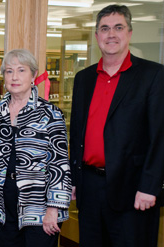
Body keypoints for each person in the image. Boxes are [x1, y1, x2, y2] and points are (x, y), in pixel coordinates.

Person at [70, 4, 164, 247]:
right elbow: (77, 130)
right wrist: (73, 180)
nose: (111, 34)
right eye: (105, 28)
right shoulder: (84, 78)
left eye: (118, 27)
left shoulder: (153, 75)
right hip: (89, 189)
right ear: (97, 36)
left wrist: (150, 186)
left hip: (133, 191)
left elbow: (160, 137)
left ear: (129, 33)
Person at [0, 49, 72, 247]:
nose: (14, 77)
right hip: (2, 208)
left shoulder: (50, 113)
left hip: (40, 208)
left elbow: (59, 164)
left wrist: (54, 209)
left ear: (34, 75)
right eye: (9, 71)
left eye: (21, 70)